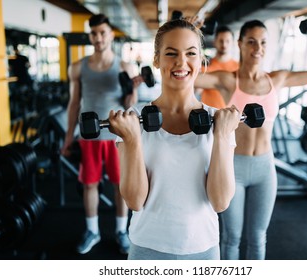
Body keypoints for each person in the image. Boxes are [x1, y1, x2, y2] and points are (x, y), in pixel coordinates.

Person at [194, 18, 307, 259]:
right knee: (231, 237)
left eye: (263, 43)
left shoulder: (276, 79)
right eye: (251, 42)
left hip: (265, 168)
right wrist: (193, 34)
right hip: (233, 168)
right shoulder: (228, 80)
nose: (258, 48)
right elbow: (189, 76)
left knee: (258, 238)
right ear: (240, 44)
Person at [110, 19, 240, 260]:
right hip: (147, 248)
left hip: (203, 249)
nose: (181, 62)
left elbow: (220, 202)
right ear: (157, 60)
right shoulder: (133, 122)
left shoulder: (219, 121)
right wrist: (133, 140)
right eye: (171, 53)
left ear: (201, 61)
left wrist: (222, 135)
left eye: (191, 53)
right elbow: (135, 201)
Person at [61, 13, 137, 255]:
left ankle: (121, 231)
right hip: (89, 137)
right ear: (90, 35)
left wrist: (132, 91)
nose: (98, 37)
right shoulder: (78, 67)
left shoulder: (124, 66)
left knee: (120, 186)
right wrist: (68, 137)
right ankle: (93, 231)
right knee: (89, 185)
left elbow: (129, 105)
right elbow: (74, 104)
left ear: (110, 34)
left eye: (102, 32)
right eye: (94, 33)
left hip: (116, 136)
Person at [200, 26, 239, 108]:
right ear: (215, 42)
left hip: (231, 114)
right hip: (208, 114)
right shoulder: (206, 65)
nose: (224, 44)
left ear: (232, 43)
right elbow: (196, 90)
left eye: (227, 41)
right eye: (221, 41)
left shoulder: (239, 68)